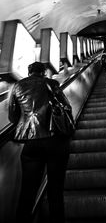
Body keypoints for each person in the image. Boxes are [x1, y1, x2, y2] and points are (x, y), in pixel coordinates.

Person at [8, 61, 73, 223]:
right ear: (44, 72)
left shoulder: (17, 86)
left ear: (29, 72)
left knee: (28, 191)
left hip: (31, 142)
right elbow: (66, 107)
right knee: (55, 190)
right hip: (55, 140)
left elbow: (13, 117)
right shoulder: (51, 83)